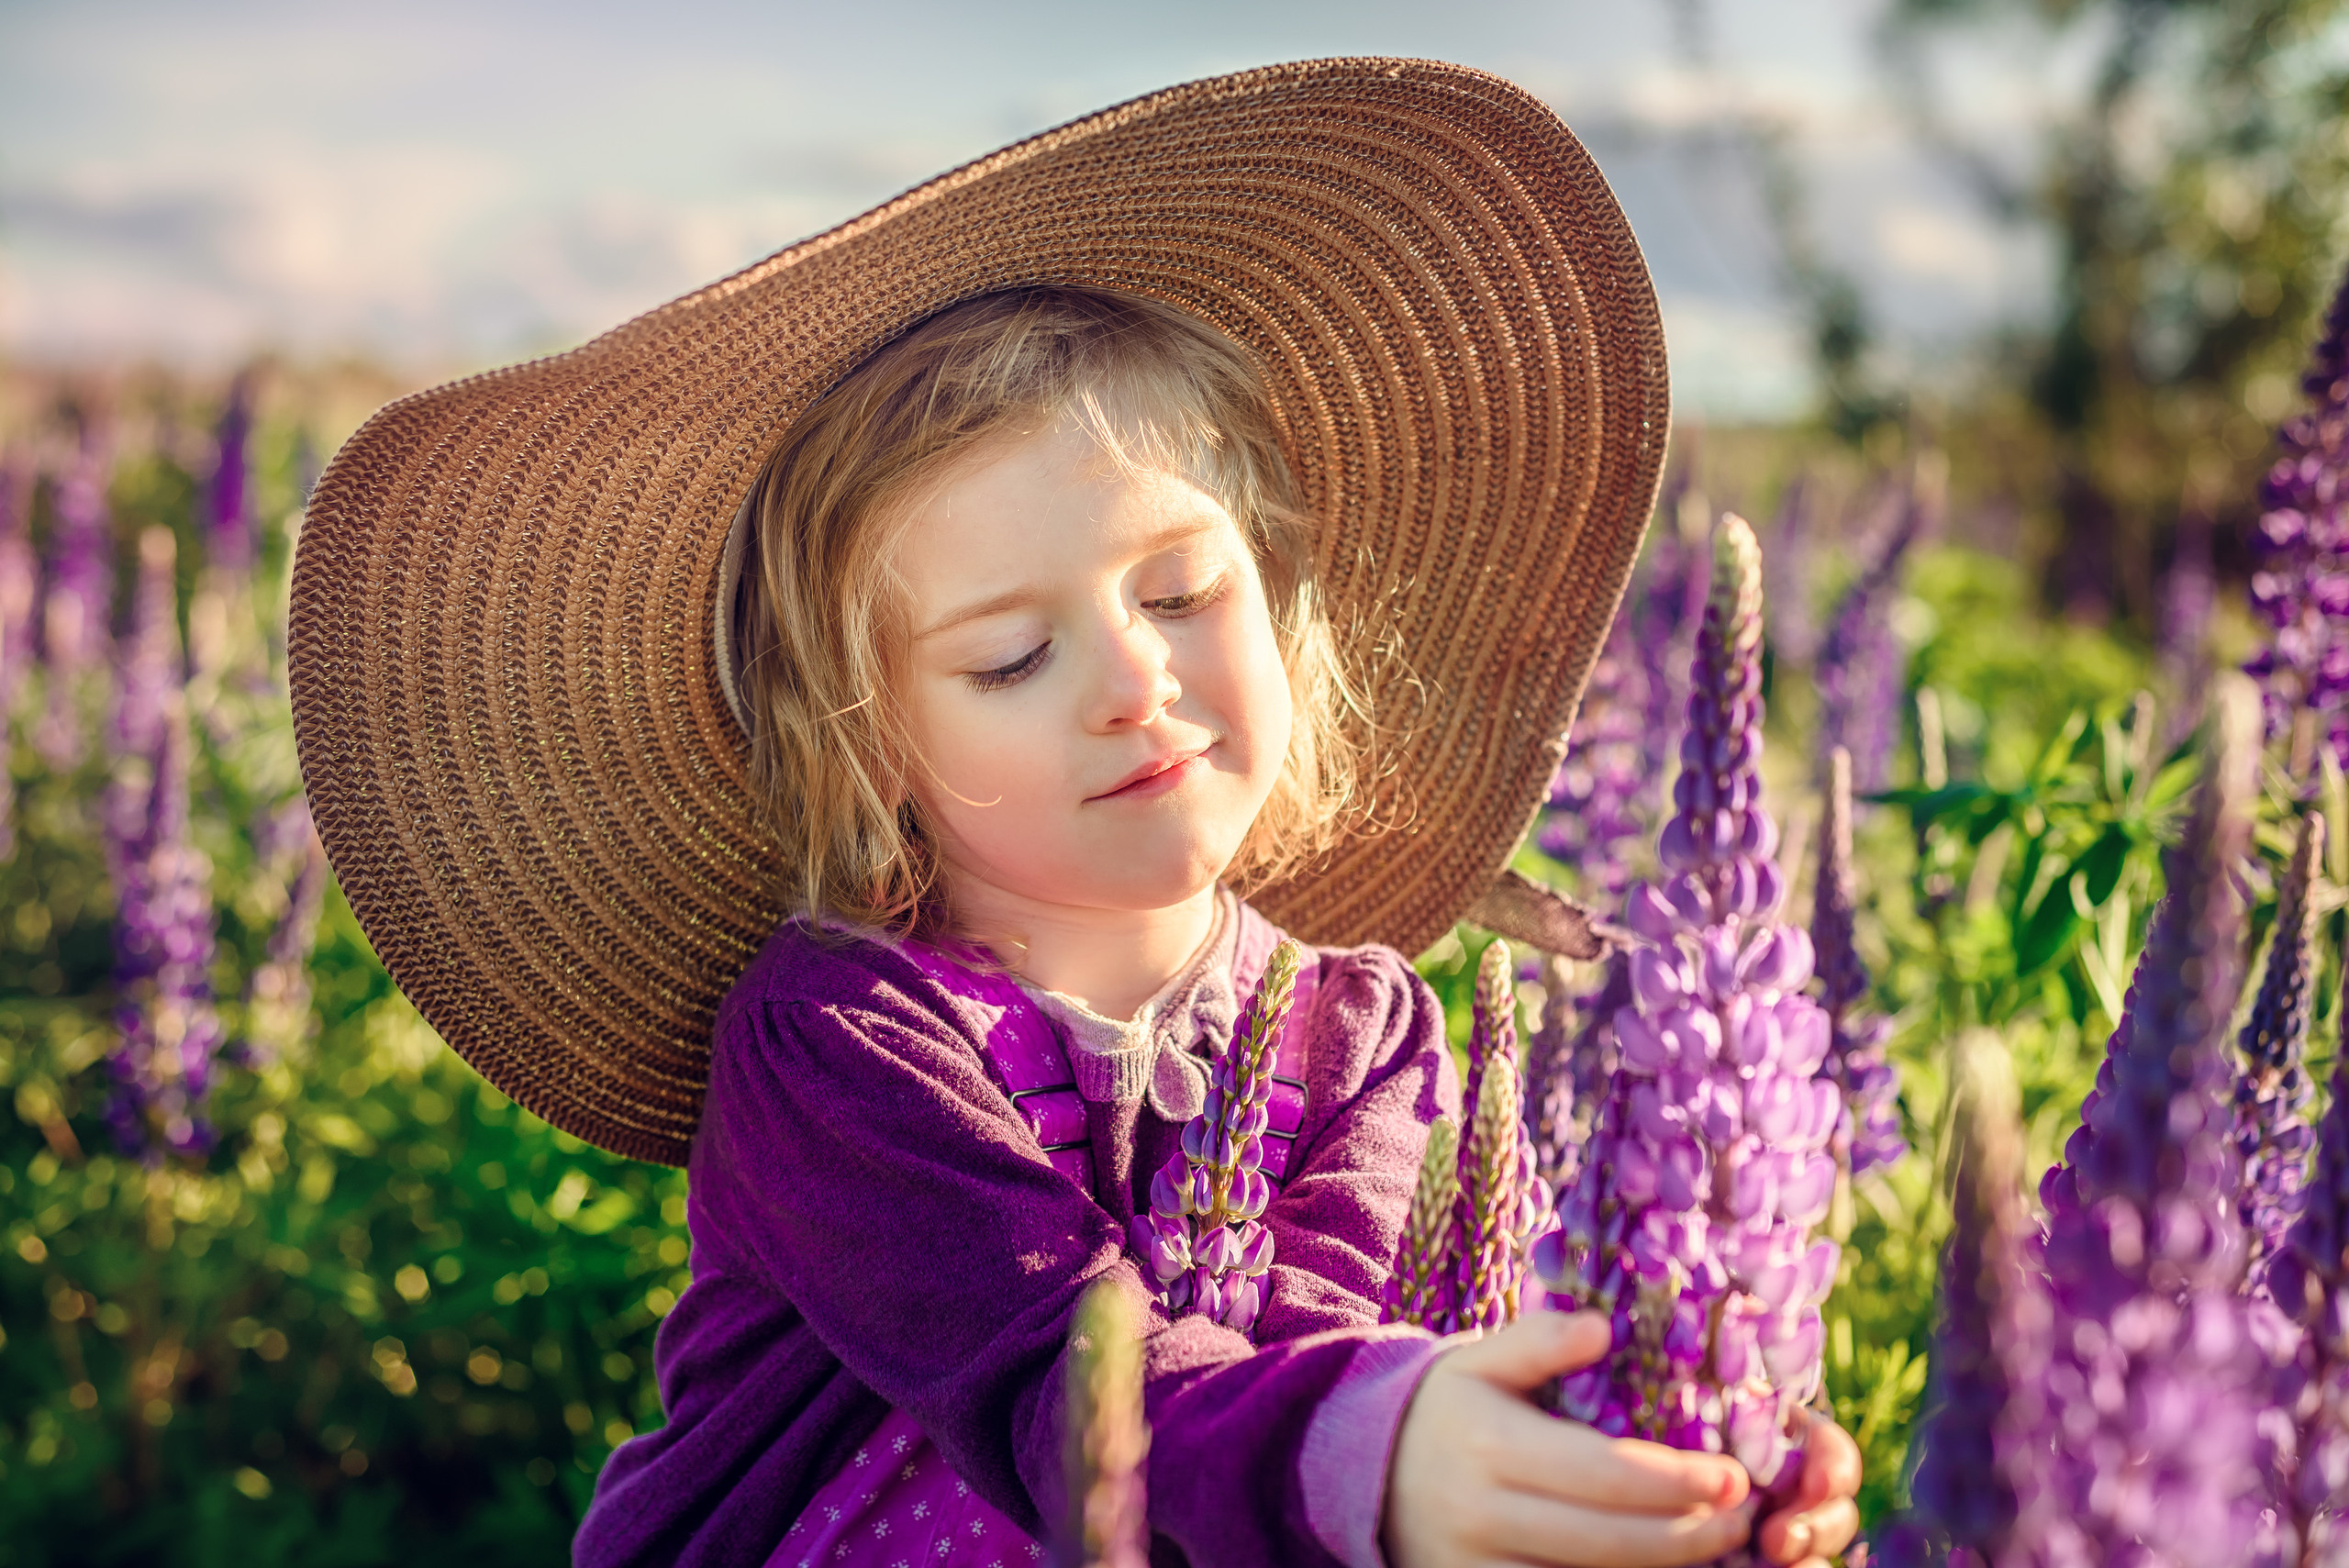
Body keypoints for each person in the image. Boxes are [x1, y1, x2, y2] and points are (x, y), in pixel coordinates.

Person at [288, 61, 1861, 1568]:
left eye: (1182, 590)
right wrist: (1387, 1449)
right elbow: (1068, 1383)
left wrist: (1612, 1450)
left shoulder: (1358, 1027)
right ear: (869, 747)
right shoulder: (840, 1040)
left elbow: (1316, 1372)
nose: (1133, 682)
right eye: (1012, 654)